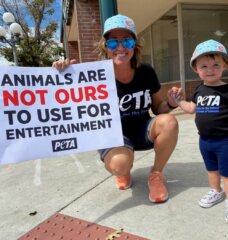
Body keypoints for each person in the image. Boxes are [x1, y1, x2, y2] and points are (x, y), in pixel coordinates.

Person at [53, 14, 179, 203]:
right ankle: (124, 169)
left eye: (126, 41)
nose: (120, 48)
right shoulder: (92, 75)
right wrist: (60, 75)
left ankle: (156, 174)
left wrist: (170, 103)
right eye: (113, 43)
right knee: (119, 165)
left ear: (134, 45)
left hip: (142, 129)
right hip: (112, 134)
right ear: (105, 46)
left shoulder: (146, 72)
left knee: (169, 122)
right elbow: (66, 104)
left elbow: (158, 109)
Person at [170, 39, 228, 222]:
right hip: (204, 140)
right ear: (195, 68)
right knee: (211, 169)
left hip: (225, 140)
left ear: (224, 66)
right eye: (204, 66)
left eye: (215, 65)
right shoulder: (199, 89)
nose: (210, 70)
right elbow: (191, 108)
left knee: (226, 173)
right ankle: (216, 191)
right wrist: (179, 101)